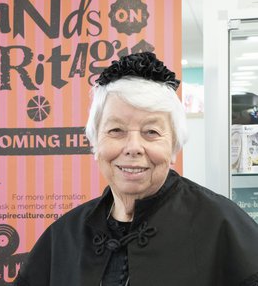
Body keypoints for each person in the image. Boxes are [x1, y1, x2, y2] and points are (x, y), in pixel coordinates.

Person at [13, 52, 258, 286]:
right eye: (116, 130)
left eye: (151, 132)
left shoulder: (222, 225)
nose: (133, 148)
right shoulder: (64, 236)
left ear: (173, 146)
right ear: (96, 142)